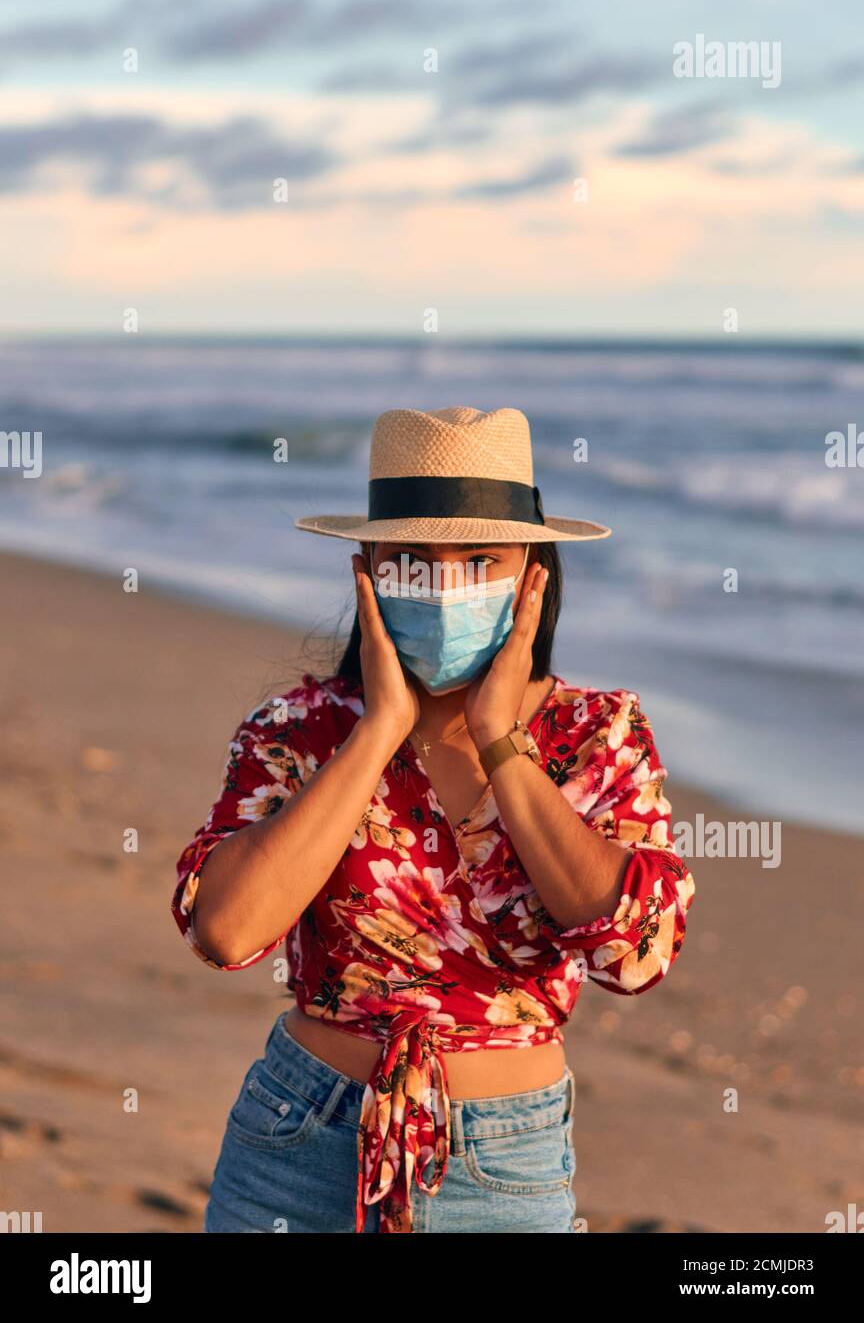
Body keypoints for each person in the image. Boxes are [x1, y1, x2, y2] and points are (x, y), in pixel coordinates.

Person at [170, 405, 696, 1234]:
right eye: (413, 561)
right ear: (368, 571)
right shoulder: (301, 729)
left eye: (479, 560)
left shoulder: (598, 735)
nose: (447, 590)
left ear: (534, 575)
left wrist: (499, 741)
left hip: (503, 1163)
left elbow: (634, 953)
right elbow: (227, 932)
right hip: (295, 1142)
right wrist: (376, 731)